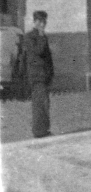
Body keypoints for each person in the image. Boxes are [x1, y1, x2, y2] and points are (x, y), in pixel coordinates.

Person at [21, 10, 53, 138]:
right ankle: (39, 132)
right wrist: (40, 35)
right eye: (41, 22)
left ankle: (44, 130)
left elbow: (48, 58)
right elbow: (38, 51)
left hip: (43, 76)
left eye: (44, 22)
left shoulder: (42, 37)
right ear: (36, 22)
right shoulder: (30, 37)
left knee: (45, 103)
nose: (43, 24)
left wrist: (50, 74)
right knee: (39, 104)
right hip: (36, 76)